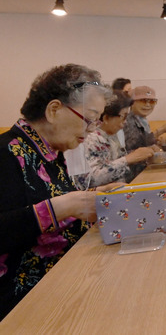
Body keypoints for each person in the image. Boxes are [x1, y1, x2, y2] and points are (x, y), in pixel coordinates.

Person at [0, 64, 118, 319]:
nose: (92, 130)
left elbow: (56, 201)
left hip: (66, 288)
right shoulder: (6, 153)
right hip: (22, 308)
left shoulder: (50, 154)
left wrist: (96, 195)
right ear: (54, 110)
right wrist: (65, 206)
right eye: (89, 119)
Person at [83, 92, 159, 187]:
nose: (125, 121)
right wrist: (127, 159)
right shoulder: (91, 139)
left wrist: (141, 154)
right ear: (106, 118)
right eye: (124, 117)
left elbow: (118, 159)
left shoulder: (111, 136)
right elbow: (92, 179)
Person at [124, 86, 166, 180]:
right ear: (132, 103)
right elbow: (132, 148)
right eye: (143, 101)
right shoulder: (127, 121)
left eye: (152, 101)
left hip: (145, 170)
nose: (148, 105)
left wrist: (156, 142)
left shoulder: (142, 120)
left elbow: (144, 142)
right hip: (134, 175)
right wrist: (161, 130)